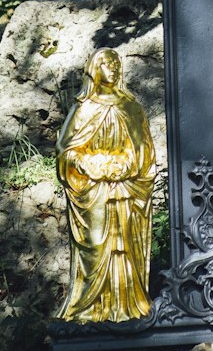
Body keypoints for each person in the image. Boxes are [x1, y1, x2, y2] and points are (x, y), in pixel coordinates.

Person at [56, 47, 156, 322]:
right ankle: (90, 310)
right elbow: (66, 150)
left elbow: (143, 150)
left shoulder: (131, 107)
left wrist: (124, 166)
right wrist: (89, 164)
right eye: (106, 63)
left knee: (126, 245)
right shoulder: (84, 109)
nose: (113, 68)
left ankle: (127, 304)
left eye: (116, 63)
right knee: (97, 245)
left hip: (125, 188)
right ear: (94, 69)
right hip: (95, 191)